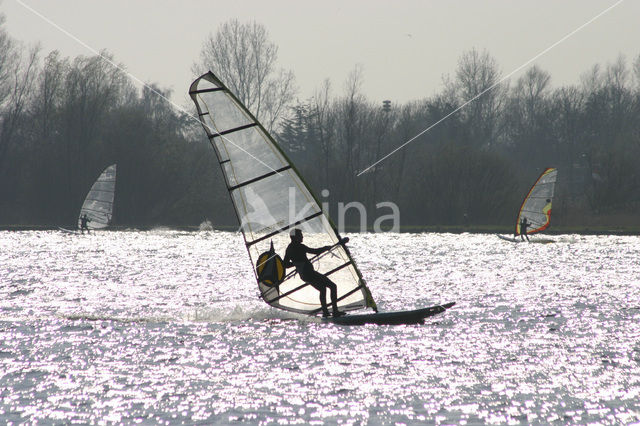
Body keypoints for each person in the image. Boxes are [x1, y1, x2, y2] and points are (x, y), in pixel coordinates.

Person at [283, 229, 346, 318]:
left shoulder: (289, 248)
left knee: (323, 289)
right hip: (309, 273)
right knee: (332, 286)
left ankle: (325, 312)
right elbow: (314, 251)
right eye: (300, 235)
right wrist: (325, 248)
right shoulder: (300, 246)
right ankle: (334, 311)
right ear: (295, 237)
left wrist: (296, 264)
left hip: (304, 275)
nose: (302, 236)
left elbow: (285, 264)